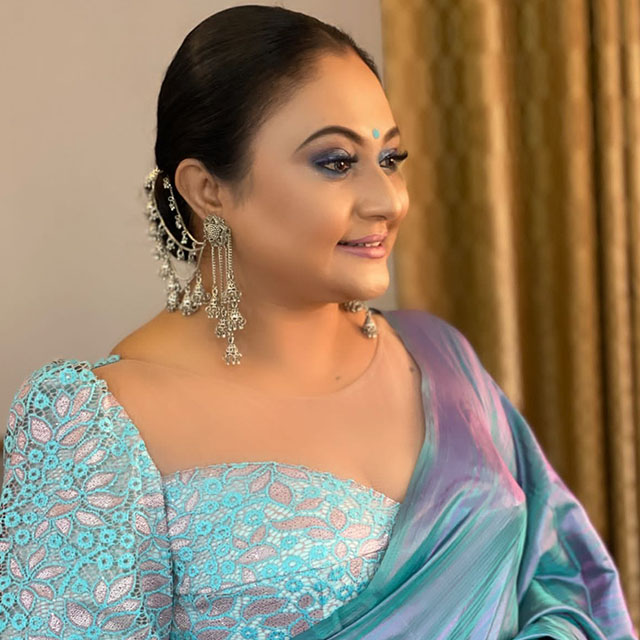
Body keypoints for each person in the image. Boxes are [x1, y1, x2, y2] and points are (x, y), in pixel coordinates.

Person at [0, 5, 636, 639]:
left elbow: (560, 581)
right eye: (336, 161)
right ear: (207, 189)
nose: (389, 200)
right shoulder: (91, 426)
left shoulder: (440, 361)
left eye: (391, 158)